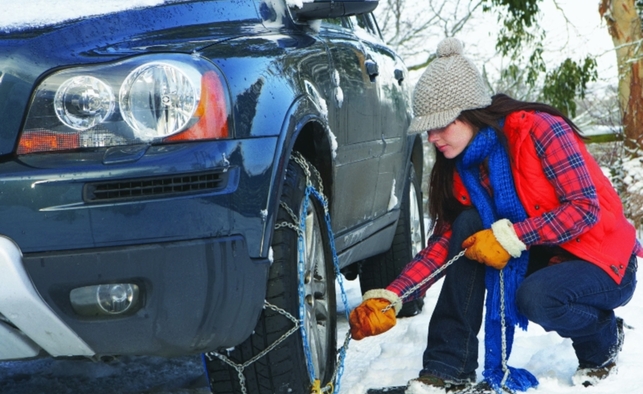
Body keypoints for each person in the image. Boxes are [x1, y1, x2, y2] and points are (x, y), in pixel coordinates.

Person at [348, 37, 640, 394]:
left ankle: (604, 339)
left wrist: (512, 236)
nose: (433, 137)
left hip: (603, 261)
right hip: (545, 257)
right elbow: (445, 245)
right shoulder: (462, 168)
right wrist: (392, 295)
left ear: (471, 112)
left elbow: (584, 208)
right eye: (428, 128)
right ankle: (446, 370)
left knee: (536, 297)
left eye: (442, 124)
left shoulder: (539, 130)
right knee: (469, 226)